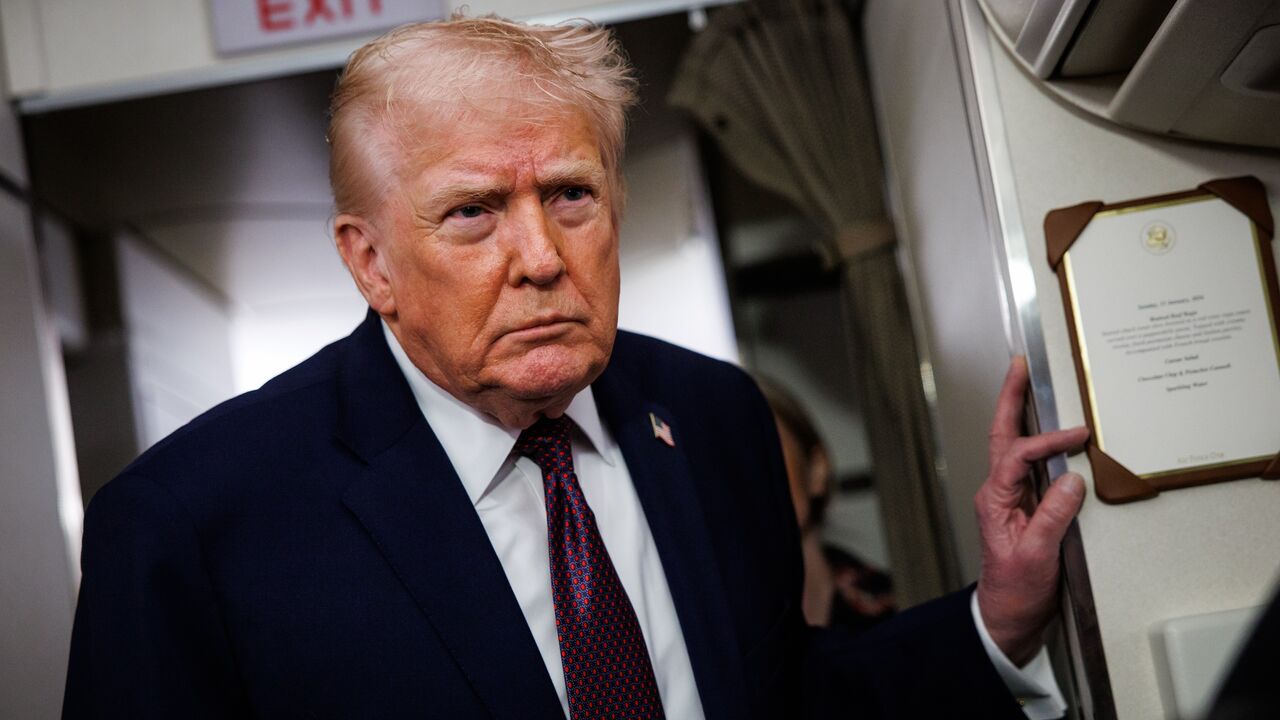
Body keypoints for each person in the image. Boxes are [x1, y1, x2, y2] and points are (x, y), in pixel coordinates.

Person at [62, 15, 1089, 720]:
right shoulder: (187, 522)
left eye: (569, 195)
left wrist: (993, 616)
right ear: (368, 260)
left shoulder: (710, 416)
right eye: (472, 212)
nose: (542, 256)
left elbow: (775, 693)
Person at [759, 379, 895, 634]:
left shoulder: (891, 611)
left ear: (816, 470)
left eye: (761, 451)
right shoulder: (712, 636)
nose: (745, 477)